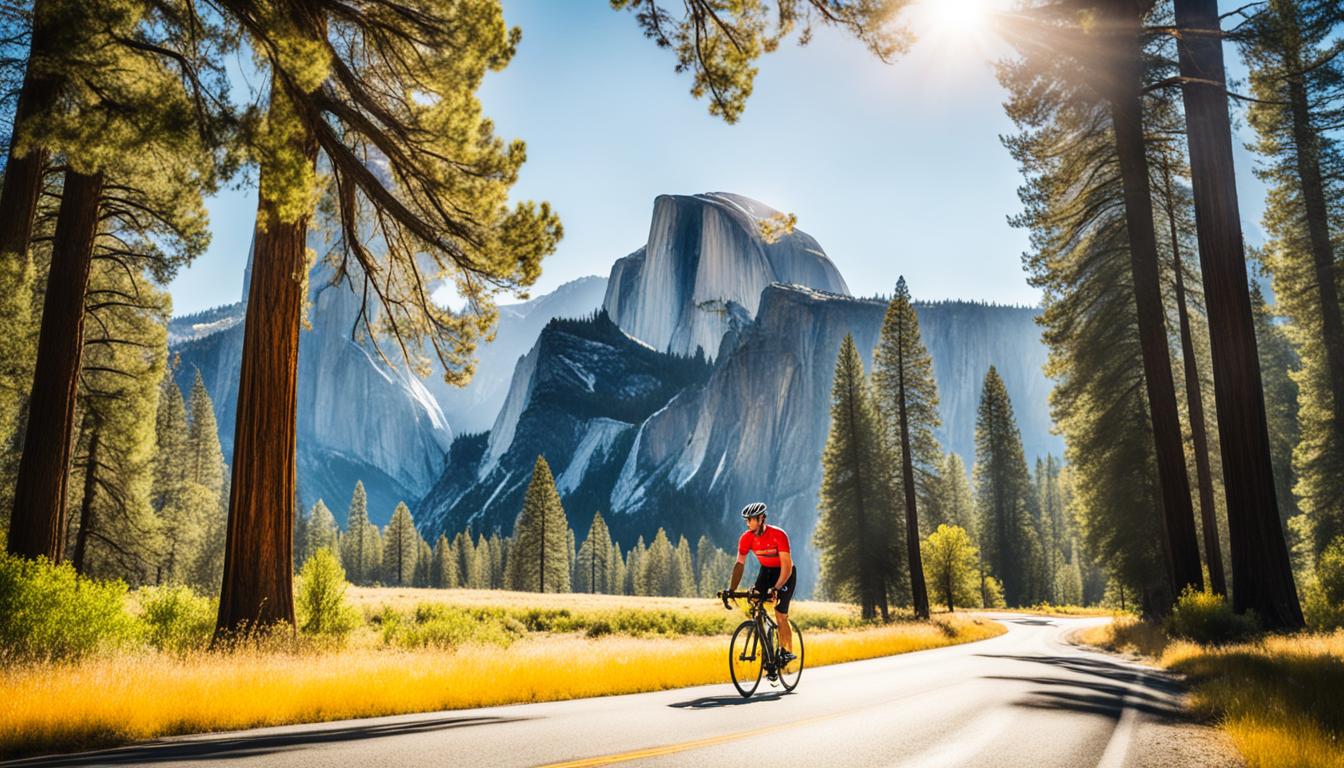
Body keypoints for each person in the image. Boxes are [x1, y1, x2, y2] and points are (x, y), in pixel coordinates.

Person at [727, 501, 798, 667]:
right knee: (756, 603)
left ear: (761, 519)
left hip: (784, 573)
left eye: (751, 519)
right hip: (766, 571)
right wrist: (731, 589)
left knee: (780, 614)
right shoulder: (746, 538)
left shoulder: (778, 535)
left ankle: (785, 651)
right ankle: (767, 651)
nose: (748, 522)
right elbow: (739, 564)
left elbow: (786, 566)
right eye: (747, 520)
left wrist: (777, 588)